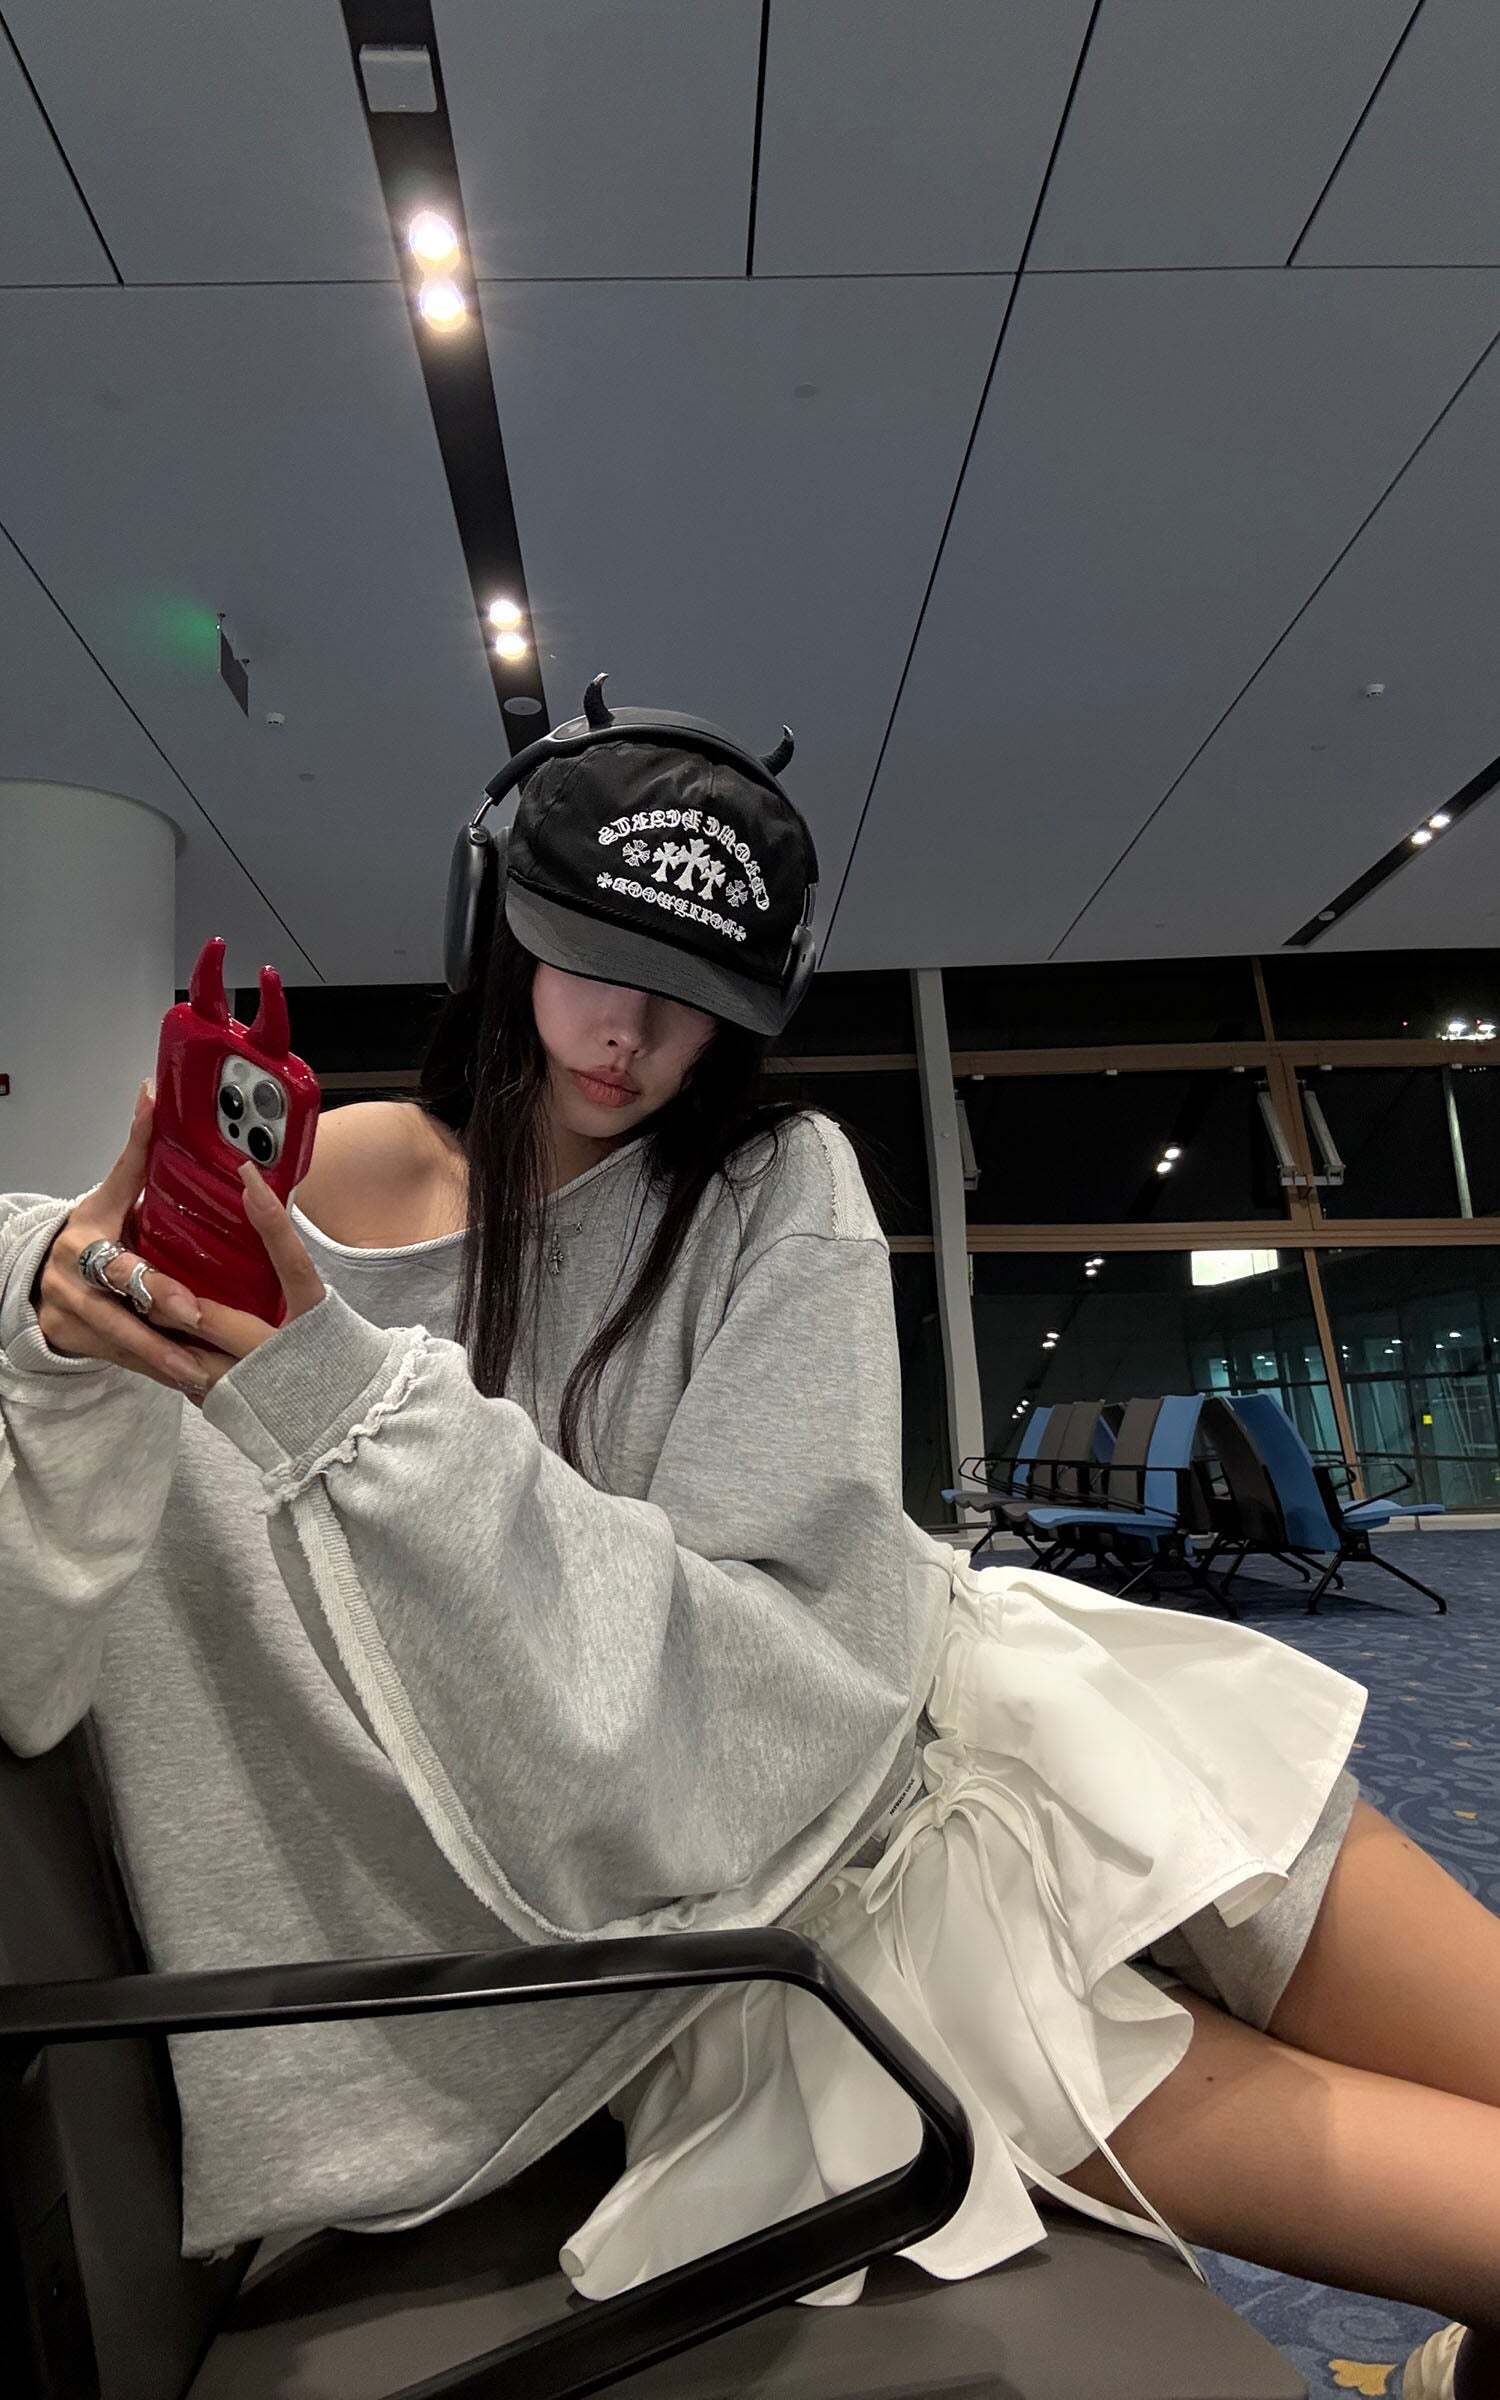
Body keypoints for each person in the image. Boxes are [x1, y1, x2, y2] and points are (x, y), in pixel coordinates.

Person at [1, 692, 1495, 2400]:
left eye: (695, 997)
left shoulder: (777, 1181)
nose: (633, 1039)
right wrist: (63, 1322)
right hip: (821, 1924)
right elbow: (75, 1624)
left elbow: (799, 1668)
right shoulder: (283, 1220)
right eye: (592, 966)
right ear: (495, 929)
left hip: (1006, 1724)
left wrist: (359, 1408)